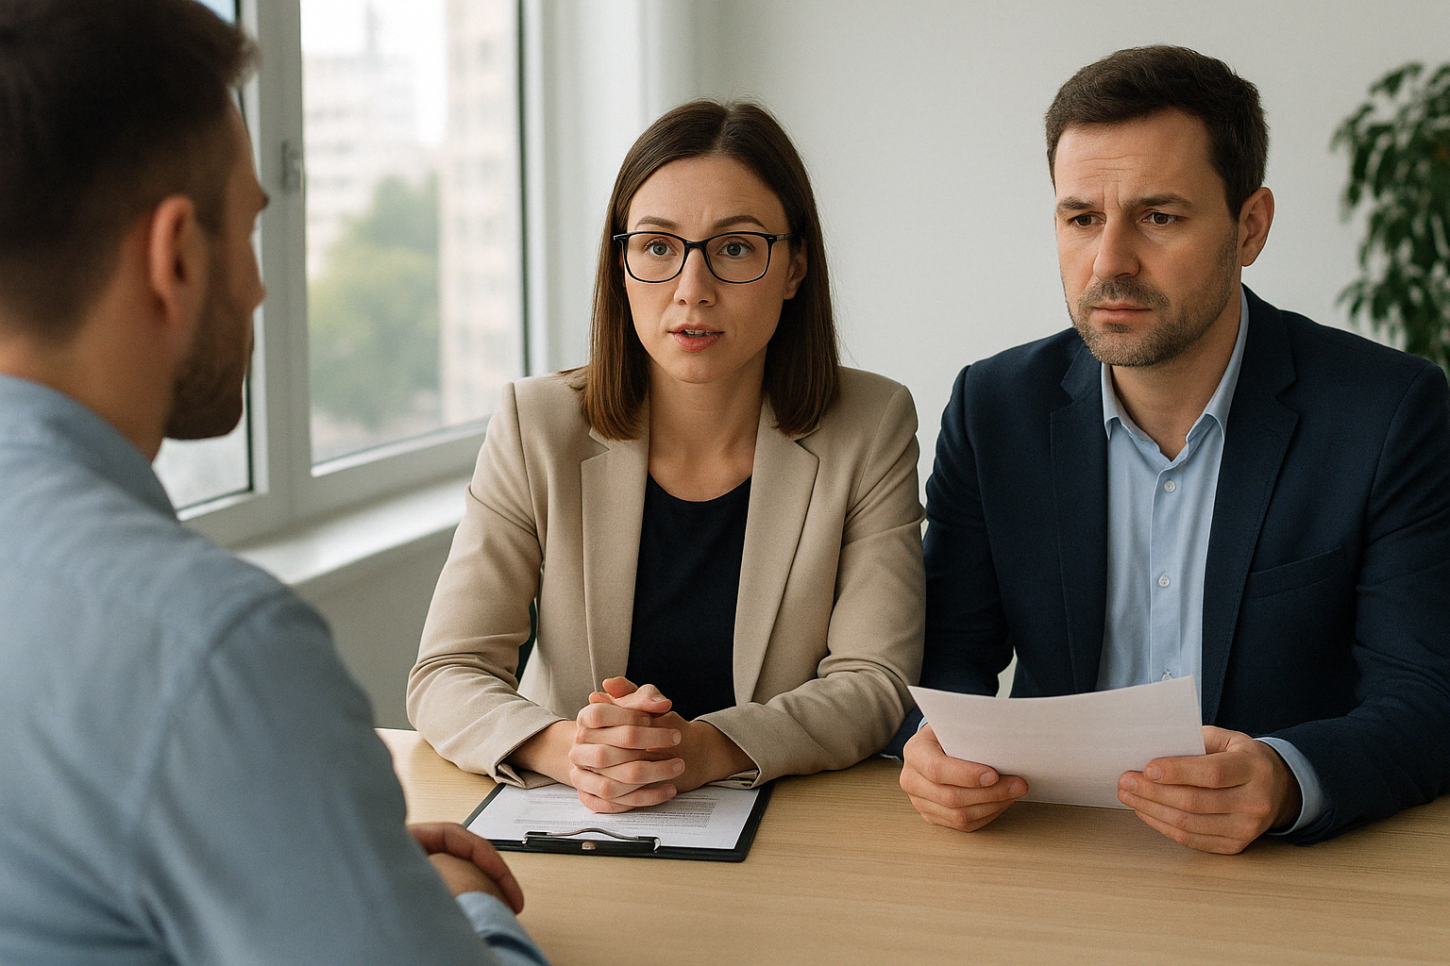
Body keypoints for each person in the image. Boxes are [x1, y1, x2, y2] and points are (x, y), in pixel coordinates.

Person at [0, 1, 547, 963]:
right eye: (249, 232)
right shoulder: (213, 651)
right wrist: (466, 905)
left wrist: (327, 861)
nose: (257, 288)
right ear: (175, 256)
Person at [898, 45, 1450, 853]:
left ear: (1250, 227)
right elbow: (947, 655)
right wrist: (931, 746)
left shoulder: (1388, 412)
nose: (1110, 262)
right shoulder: (994, 409)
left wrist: (1286, 778)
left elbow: (1427, 696)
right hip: (1053, 849)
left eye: (1159, 217)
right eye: (1082, 218)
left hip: (1283, 872)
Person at [409, 99, 924, 812]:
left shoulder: (870, 424)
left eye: (735, 248)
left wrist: (702, 750)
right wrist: (572, 750)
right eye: (657, 246)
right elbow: (447, 671)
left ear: (794, 267)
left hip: (787, 823)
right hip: (577, 814)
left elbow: (874, 681)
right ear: (620, 264)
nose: (691, 290)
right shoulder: (537, 424)